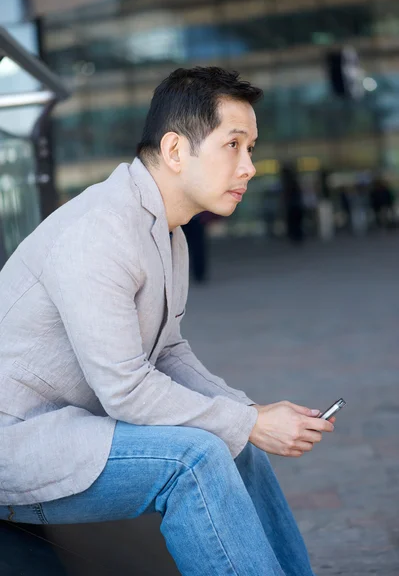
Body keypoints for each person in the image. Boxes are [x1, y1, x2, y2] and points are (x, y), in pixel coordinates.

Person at [0, 67, 335, 576]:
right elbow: (126, 389)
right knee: (195, 459)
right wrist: (249, 422)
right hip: (20, 446)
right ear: (176, 151)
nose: (249, 167)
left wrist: (249, 413)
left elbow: (168, 353)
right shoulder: (100, 233)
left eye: (252, 148)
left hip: (75, 430)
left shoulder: (163, 228)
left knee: (241, 450)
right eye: (234, 145)